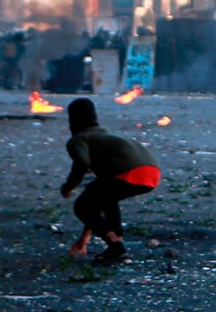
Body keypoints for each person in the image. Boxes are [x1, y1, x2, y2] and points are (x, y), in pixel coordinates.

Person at [59, 98, 160, 263]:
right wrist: (84, 239)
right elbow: (95, 208)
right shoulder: (105, 136)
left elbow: (81, 163)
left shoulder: (79, 140)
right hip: (152, 172)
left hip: (130, 171)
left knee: (82, 206)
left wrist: (68, 187)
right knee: (105, 200)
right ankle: (116, 242)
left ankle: (117, 246)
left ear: (72, 122)